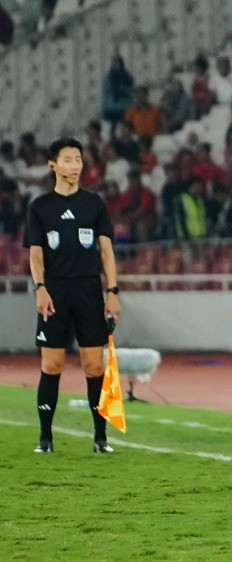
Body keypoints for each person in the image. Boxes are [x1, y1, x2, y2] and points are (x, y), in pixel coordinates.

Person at [24, 137, 121, 454]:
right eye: (67, 159)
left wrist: (112, 292)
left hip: (89, 291)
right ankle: (45, 439)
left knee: (94, 366)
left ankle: (100, 438)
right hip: (54, 291)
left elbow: (106, 252)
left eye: (78, 159)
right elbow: (36, 255)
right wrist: (40, 289)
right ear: (52, 164)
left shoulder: (94, 204)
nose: (74, 165)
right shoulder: (39, 207)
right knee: (51, 365)